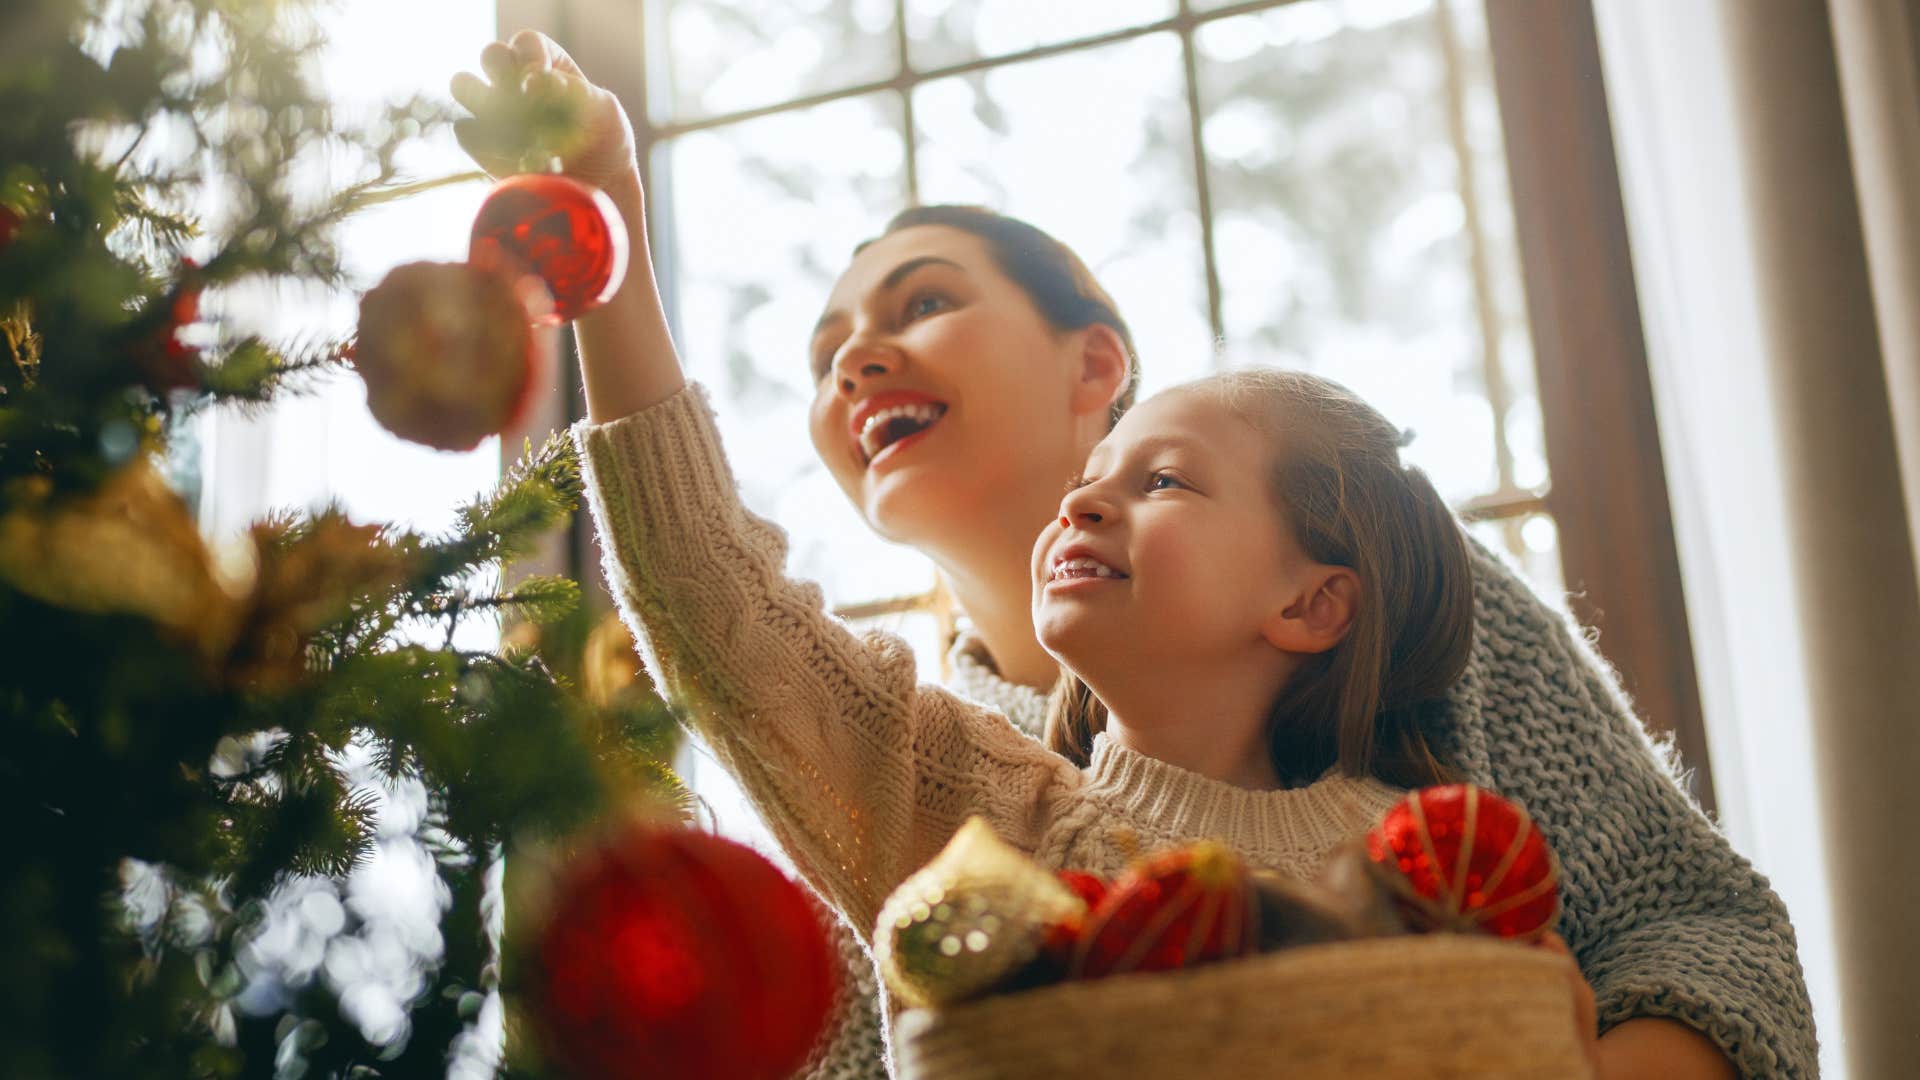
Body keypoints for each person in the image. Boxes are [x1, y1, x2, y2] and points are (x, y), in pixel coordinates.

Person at [452, 31, 1816, 1080]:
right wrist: (608, 244)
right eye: (823, 358)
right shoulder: (958, 803)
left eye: (923, 302)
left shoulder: (1421, 721)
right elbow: (716, 606)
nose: (858, 356)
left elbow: (1696, 945)